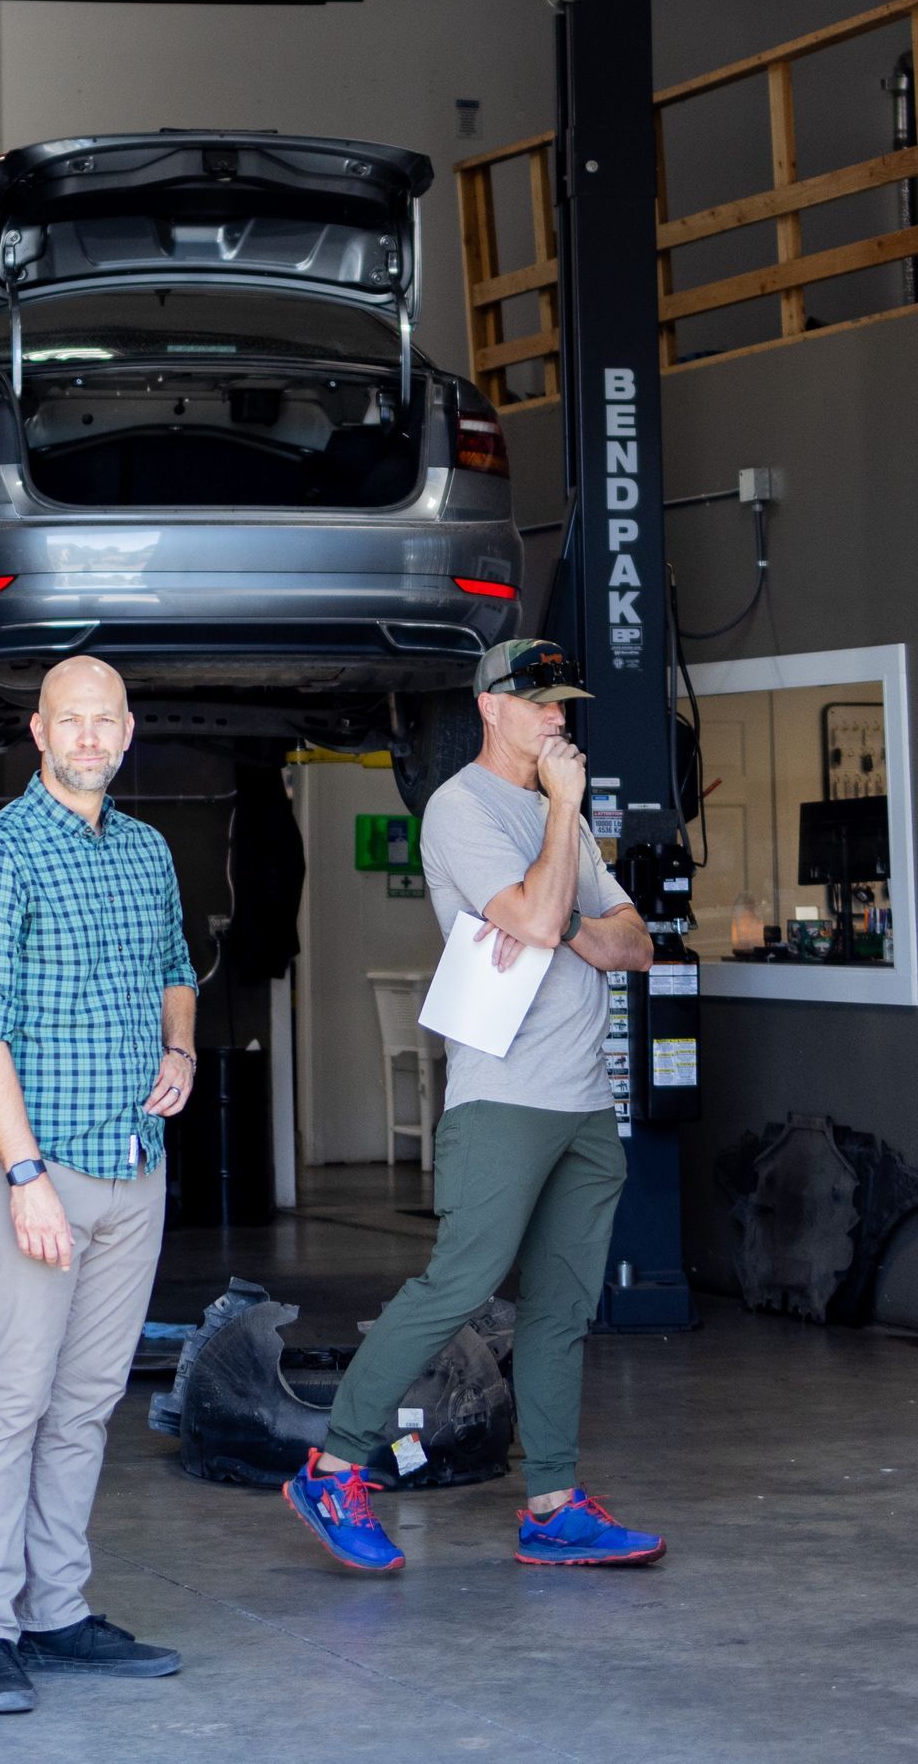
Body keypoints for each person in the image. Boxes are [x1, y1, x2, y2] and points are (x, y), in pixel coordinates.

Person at [286, 636, 666, 1574]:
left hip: (584, 1101)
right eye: (539, 704)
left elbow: (637, 945)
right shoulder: (461, 808)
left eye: (562, 704)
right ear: (491, 708)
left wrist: (569, 916)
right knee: (457, 1285)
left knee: (561, 1309)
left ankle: (552, 1505)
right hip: (504, 1098)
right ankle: (333, 1468)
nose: (557, 719)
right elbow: (534, 921)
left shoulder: (553, 823)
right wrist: (565, 831)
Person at [0, 655, 196, 1716]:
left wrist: (180, 1049)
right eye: (69, 721)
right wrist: (24, 1173)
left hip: (136, 1169)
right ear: (38, 732)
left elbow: (179, 963)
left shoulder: (146, 850)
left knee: (87, 1404)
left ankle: (58, 1610)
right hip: (34, 1181)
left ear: (127, 731)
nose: (89, 738)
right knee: (10, 1401)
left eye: (106, 720)